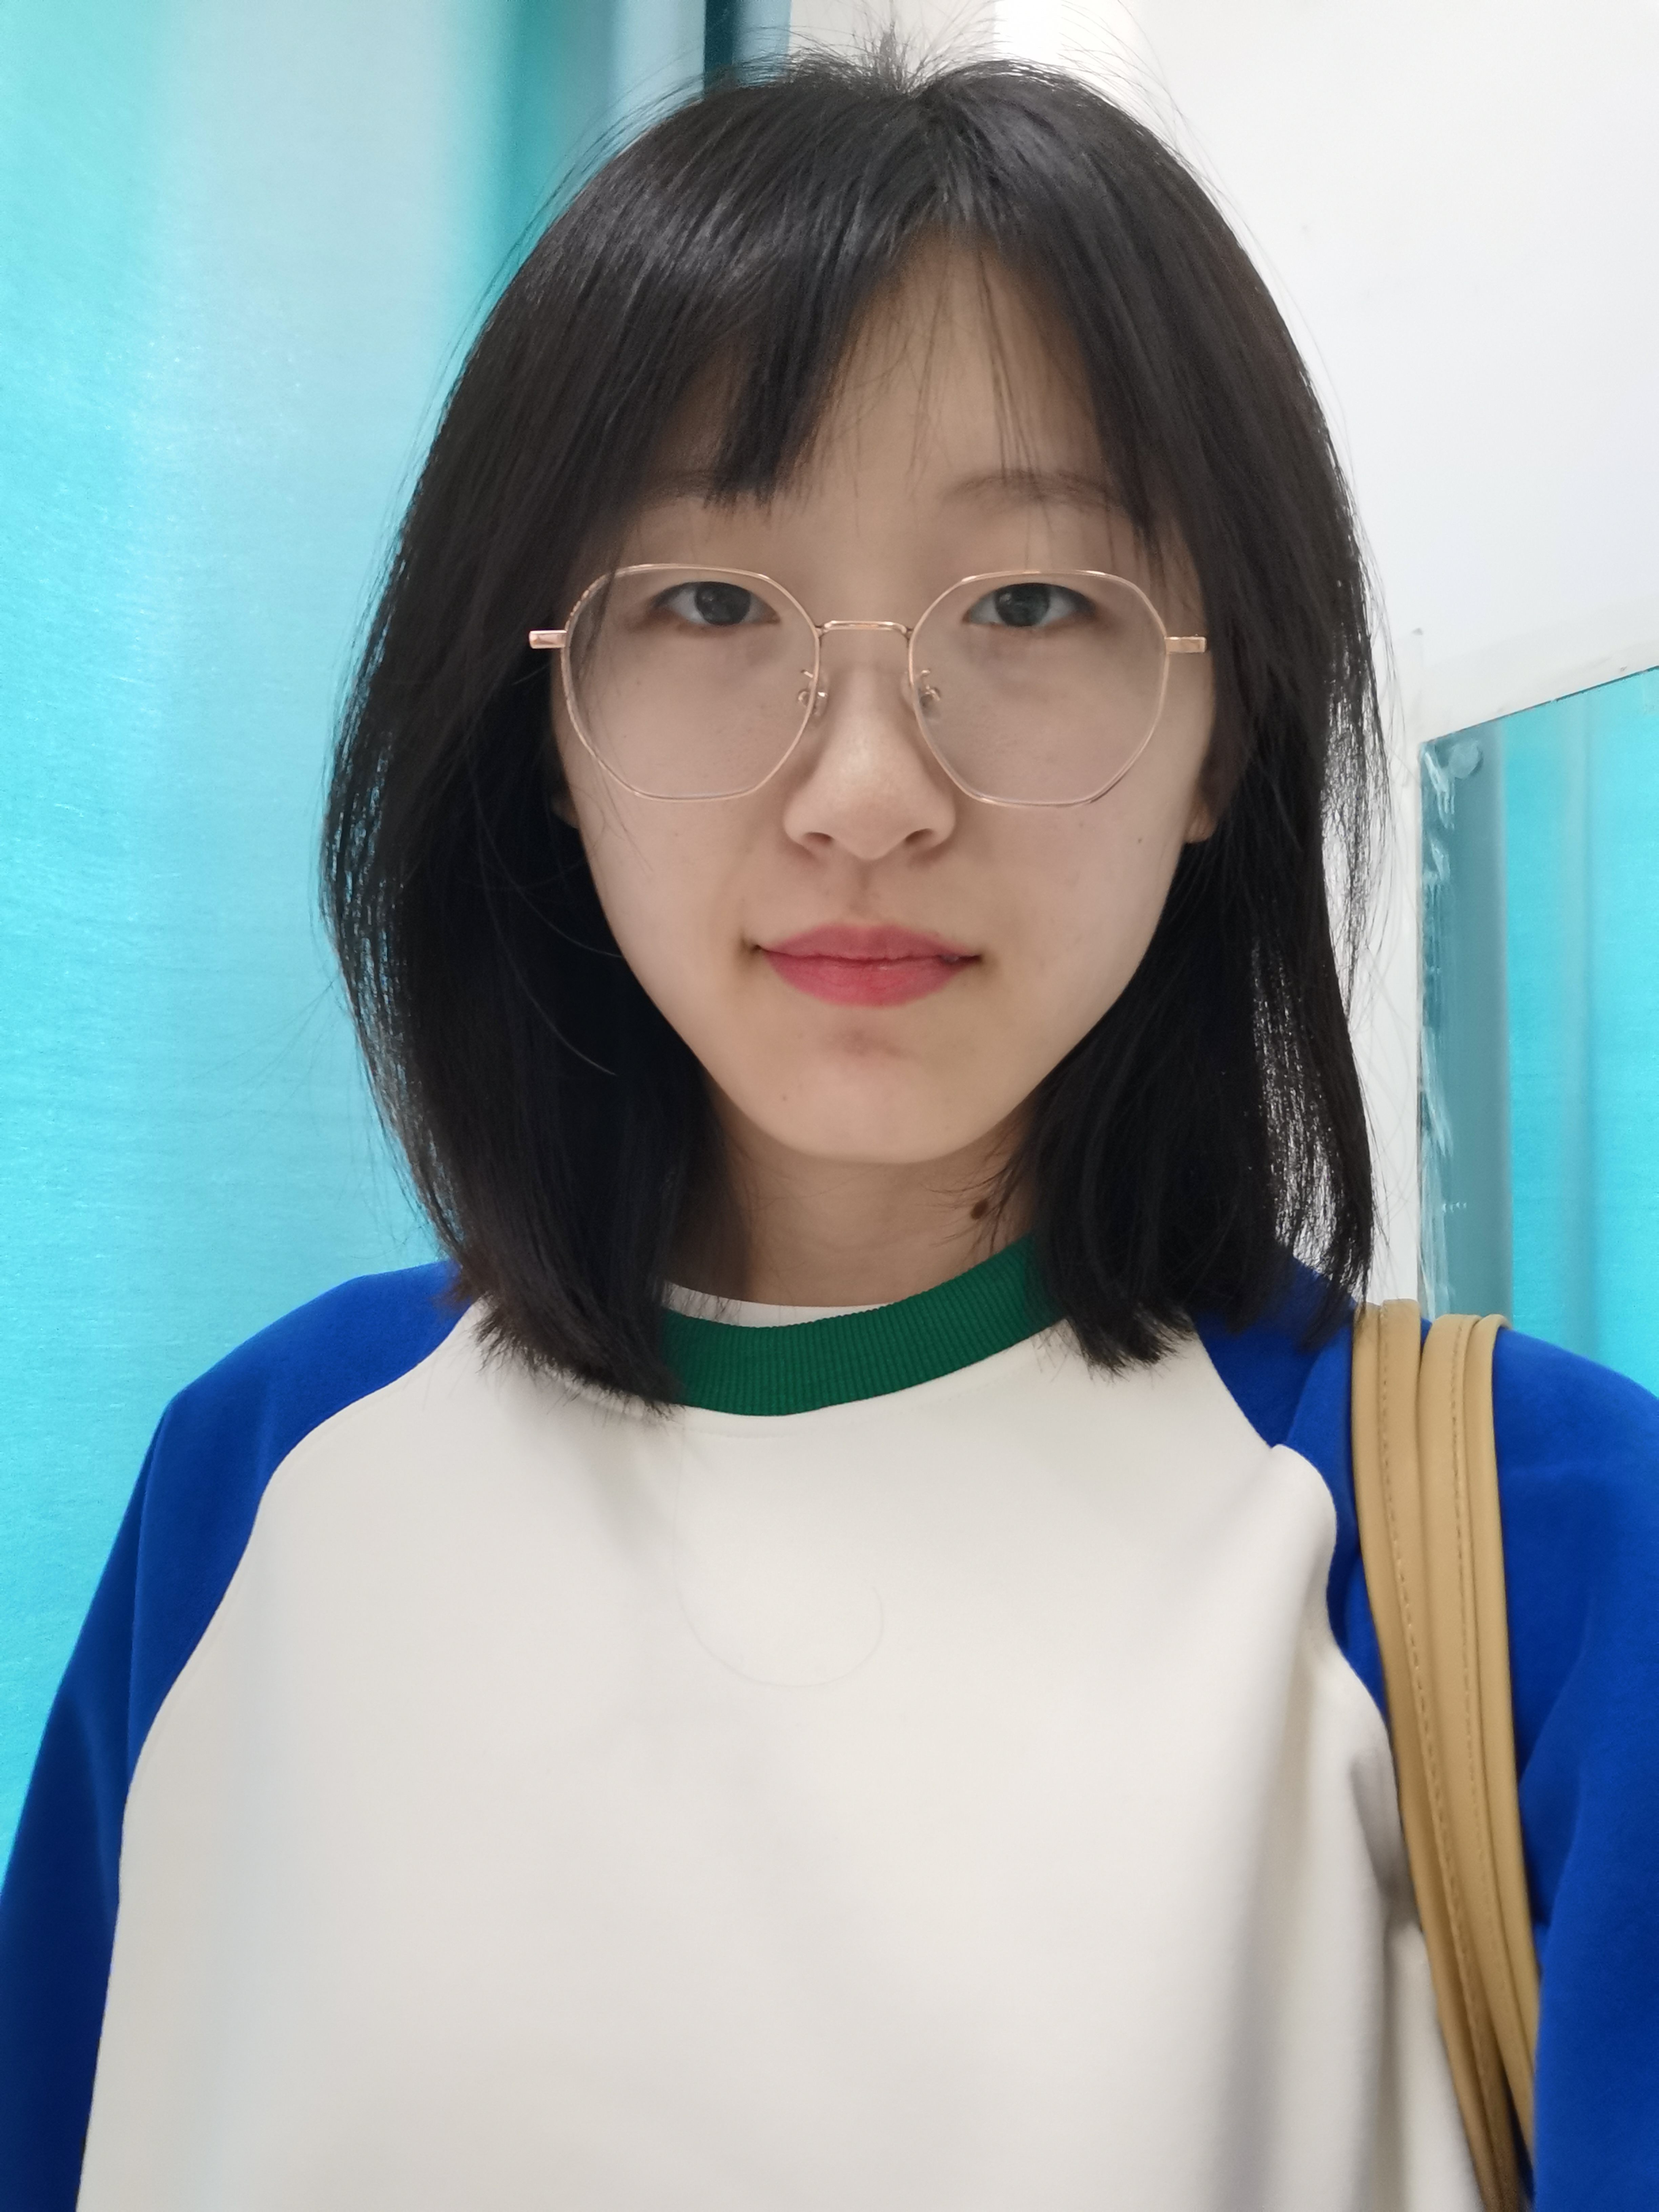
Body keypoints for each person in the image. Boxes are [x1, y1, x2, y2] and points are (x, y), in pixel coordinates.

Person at [1, 49, 1654, 2212]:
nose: (868, 789)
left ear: (1224, 724)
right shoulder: (255, 1486)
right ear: (547, 719)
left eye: (1033, 605)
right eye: (707, 602)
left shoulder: (1551, 1553)